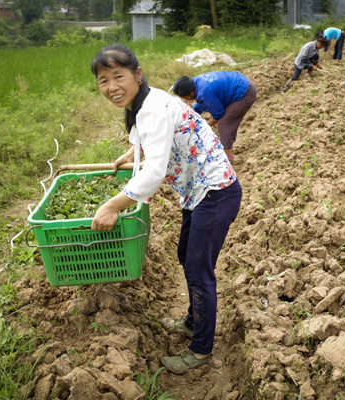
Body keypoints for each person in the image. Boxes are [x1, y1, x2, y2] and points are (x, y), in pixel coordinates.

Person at [90, 44, 242, 374]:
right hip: (198, 191)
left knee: (199, 272)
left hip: (215, 192)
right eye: (103, 80)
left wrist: (113, 205)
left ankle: (201, 350)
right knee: (186, 257)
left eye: (118, 76)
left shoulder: (152, 107)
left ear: (137, 74)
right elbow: (146, 135)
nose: (112, 87)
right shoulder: (141, 101)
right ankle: (192, 321)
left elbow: (155, 172)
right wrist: (133, 153)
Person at [172, 72, 257, 162]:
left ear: (191, 93)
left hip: (244, 92)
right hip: (240, 84)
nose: (186, 100)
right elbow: (201, 103)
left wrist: (205, 126)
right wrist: (189, 114)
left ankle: (226, 160)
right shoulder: (196, 83)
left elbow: (218, 113)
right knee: (226, 125)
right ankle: (230, 155)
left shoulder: (204, 91)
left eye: (185, 98)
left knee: (224, 123)